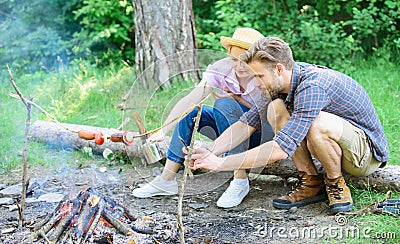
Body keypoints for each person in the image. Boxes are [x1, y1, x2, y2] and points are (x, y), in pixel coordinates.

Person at [189, 36, 389, 214]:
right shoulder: (280, 82)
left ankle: (336, 183)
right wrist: (210, 152)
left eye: (259, 76)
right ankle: (311, 181)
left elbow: (280, 148)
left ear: (278, 69)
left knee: (318, 123)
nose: (255, 83)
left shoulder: (312, 86)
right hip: (332, 146)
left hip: (364, 155)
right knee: (275, 108)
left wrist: (222, 163)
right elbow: (245, 125)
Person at [132, 28, 274, 208]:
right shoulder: (221, 69)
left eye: (245, 62)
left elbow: (264, 114)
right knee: (192, 111)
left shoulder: (265, 74)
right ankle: (166, 180)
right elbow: (191, 98)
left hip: (261, 133)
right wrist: (163, 129)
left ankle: (240, 180)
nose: (239, 67)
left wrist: (237, 99)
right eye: (234, 60)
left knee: (225, 105)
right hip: (228, 132)